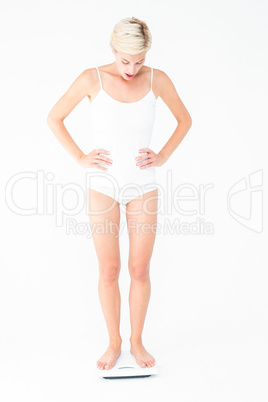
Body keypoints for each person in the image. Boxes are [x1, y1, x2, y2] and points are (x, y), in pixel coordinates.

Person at [47, 16, 192, 371]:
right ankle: (114, 342)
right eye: (125, 60)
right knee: (109, 269)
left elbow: (185, 120)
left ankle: (137, 341)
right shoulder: (91, 79)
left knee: (139, 268)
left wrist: (163, 154)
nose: (132, 68)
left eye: (139, 60)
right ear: (113, 49)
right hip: (103, 187)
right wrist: (81, 157)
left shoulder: (157, 79)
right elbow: (54, 118)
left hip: (143, 186)